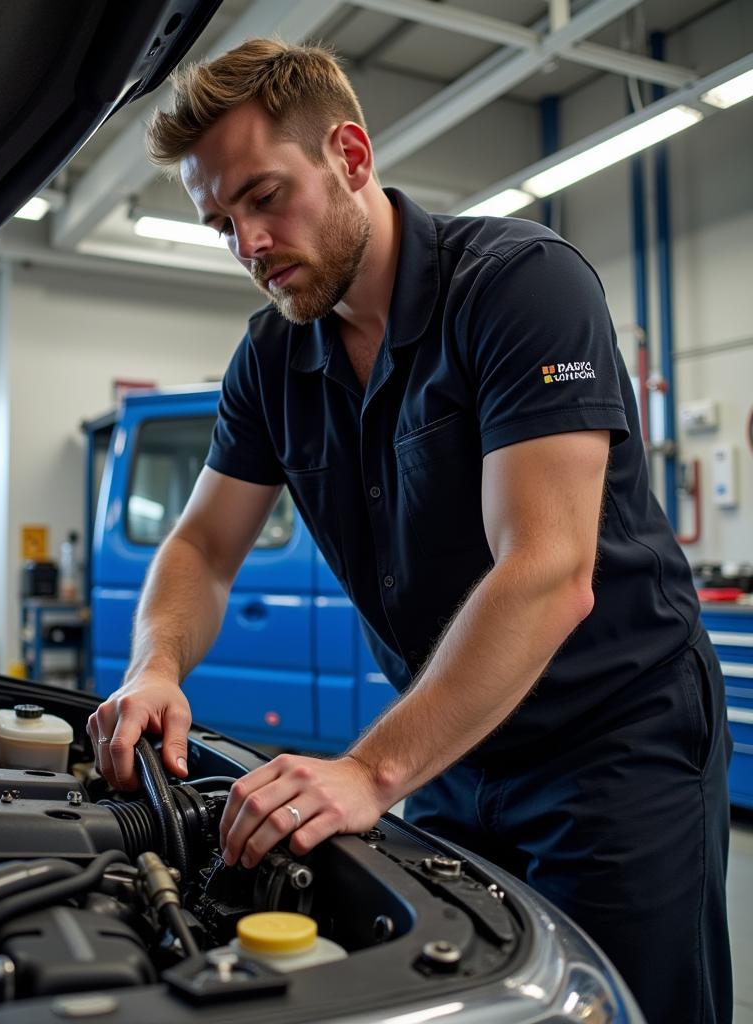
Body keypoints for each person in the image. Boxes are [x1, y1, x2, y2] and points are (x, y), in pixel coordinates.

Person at [86, 39, 732, 1023]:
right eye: (220, 223)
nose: (248, 245)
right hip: (453, 748)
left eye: (264, 197)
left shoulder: (518, 287)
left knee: (628, 1004)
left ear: (348, 154)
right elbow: (202, 547)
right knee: (462, 994)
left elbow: (549, 567)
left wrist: (368, 769)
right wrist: (156, 666)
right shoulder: (269, 360)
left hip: (614, 741)